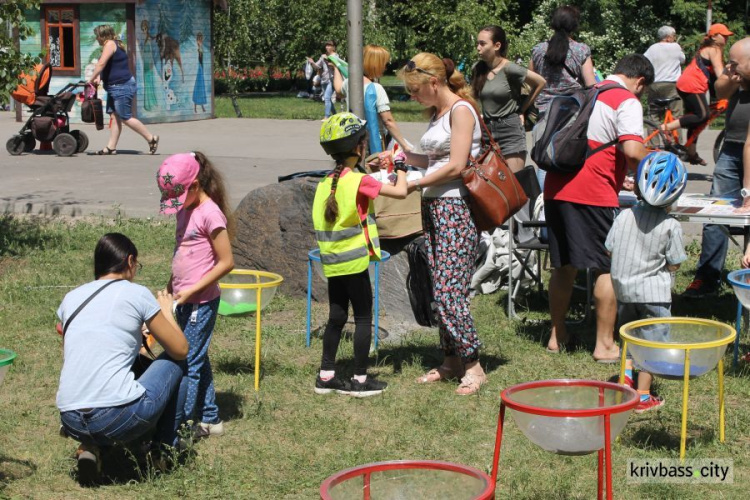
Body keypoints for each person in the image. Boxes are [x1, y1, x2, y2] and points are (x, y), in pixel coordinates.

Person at [543, 54, 654, 362]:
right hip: (591, 192)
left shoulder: (582, 91)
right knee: (608, 266)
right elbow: (632, 151)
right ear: (640, 81)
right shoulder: (626, 100)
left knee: (564, 266)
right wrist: (652, 170)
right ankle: (605, 345)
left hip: (555, 187)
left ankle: (557, 335)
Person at [57, 233, 189, 486]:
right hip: (117, 418)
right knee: (178, 365)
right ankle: (162, 451)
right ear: (130, 261)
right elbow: (180, 349)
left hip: (70, 418)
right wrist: (166, 312)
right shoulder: (136, 293)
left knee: (124, 371)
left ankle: (91, 448)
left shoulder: (71, 298)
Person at [397, 53, 487, 395]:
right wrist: (401, 158)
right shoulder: (440, 114)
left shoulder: (462, 111)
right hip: (434, 207)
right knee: (438, 287)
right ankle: (450, 361)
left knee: (450, 292)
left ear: (434, 83)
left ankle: (474, 366)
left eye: (416, 90)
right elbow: (433, 158)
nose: (413, 97)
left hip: (456, 209)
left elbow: (456, 166)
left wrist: (415, 183)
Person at [312, 112, 408, 397]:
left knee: (336, 318)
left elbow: (351, 181)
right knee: (364, 318)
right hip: (354, 261)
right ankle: (360, 380)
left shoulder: (328, 181)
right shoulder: (359, 181)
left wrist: (366, 165)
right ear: (358, 146)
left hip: (332, 262)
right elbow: (400, 191)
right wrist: (400, 166)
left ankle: (326, 376)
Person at [157, 152, 235, 438]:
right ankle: (211, 418)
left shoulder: (210, 213)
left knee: (186, 361)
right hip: (183, 298)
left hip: (201, 301)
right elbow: (182, 252)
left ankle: (181, 423)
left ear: (195, 185)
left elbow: (226, 262)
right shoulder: (185, 208)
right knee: (196, 357)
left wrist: (192, 289)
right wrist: (170, 285)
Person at [606, 151, 687, 413]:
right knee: (651, 344)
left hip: (625, 291)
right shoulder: (670, 226)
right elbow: (675, 262)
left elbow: (609, 248)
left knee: (628, 338)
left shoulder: (624, 216)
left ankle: (626, 381)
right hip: (654, 295)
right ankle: (642, 396)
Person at [685, 37, 750, 298]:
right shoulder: (736, 71)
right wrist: (733, 76)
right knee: (714, 214)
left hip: (747, 148)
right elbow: (720, 91)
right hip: (731, 149)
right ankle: (707, 277)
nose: (729, 67)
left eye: (736, 64)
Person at [472, 25, 546, 172]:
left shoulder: (510, 68)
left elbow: (540, 82)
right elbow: (472, 98)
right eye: (477, 43)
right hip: (487, 132)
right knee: (487, 185)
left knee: (513, 185)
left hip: (510, 131)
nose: (478, 48)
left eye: (482, 43)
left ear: (497, 46)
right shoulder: (477, 69)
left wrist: (522, 109)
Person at [663, 23, 733, 166]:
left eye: (727, 36)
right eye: (723, 35)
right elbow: (720, 73)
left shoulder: (710, 49)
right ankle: (667, 128)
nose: (726, 38)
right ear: (714, 37)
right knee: (702, 115)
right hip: (691, 85)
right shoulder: (714, 49)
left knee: (697, 122)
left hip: (689, 85)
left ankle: (691, 153)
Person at [87, 25, 159, 155]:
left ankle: (151, 138)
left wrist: (90, 79)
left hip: (121, 86)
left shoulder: (109, 44)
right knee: (114, 116)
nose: (96, 38)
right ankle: (111, 147)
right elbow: (109, 66)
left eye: (97, 35)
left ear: (103, 36)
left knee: (125, 117)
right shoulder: (113, 45)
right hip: (115, 86)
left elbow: (101, 63)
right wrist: (98, 77)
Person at [332, 44, 413, 153]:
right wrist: (404, 145)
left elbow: (338, 90)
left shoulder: (350, 82)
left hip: (356, 141)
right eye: (384, 64)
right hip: (376, 143)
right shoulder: (376, 88)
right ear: (375, 65)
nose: (386, 67)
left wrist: (336, 67)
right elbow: (388, 121)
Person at [529, 5, 597, 118]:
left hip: (543, 113)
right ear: (574, 26)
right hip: (572, 113)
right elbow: (591, 86)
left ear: (553, 24)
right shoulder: (581, 50)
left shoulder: (538, 50)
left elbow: (530, 81)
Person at [643, 26, 686, 127]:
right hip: (672, 85)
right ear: (667, 37)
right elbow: (683, 60)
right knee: (676, 115)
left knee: (654, 115)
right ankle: (676, 141)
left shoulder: (652, 48)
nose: (674, 38)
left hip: (654, 85)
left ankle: (654, 142)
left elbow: (644, 62)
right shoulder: (675, 46)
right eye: (673, 36)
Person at [307, 41, 338, 120]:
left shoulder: (335, 56)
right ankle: (335, 114)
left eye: (329, 46)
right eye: (326, 46)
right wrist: (312, 62)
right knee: (327, 99)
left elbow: (337, 65)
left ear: (333, 47)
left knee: (327, 98)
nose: (327, 47)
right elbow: (317, 66)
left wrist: (329, 61)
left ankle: (326, 116)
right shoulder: (323, 56)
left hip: (332, 80)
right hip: (323, 80)